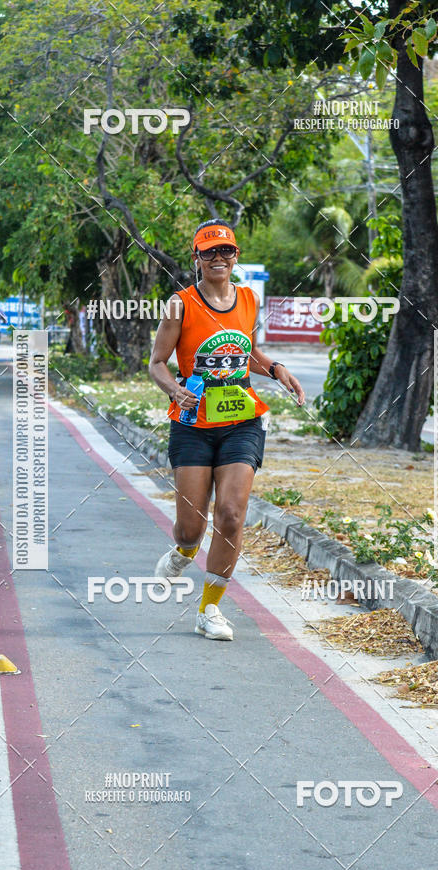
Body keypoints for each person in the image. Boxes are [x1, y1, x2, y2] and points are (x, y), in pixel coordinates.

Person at [149, 218, 304, 641]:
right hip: (193, 424)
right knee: (190, 528)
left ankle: (209, 609)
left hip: (241, 420)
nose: (218, 258)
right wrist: (173, 389)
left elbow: (245, 349)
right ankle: (183, 551)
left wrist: (274, 368)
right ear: (195, 258)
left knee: (232, 515)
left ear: (236, 256)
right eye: (209, 252)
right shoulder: (179, 304)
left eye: (226, 251)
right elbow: (157, 361)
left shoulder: (249, 299)